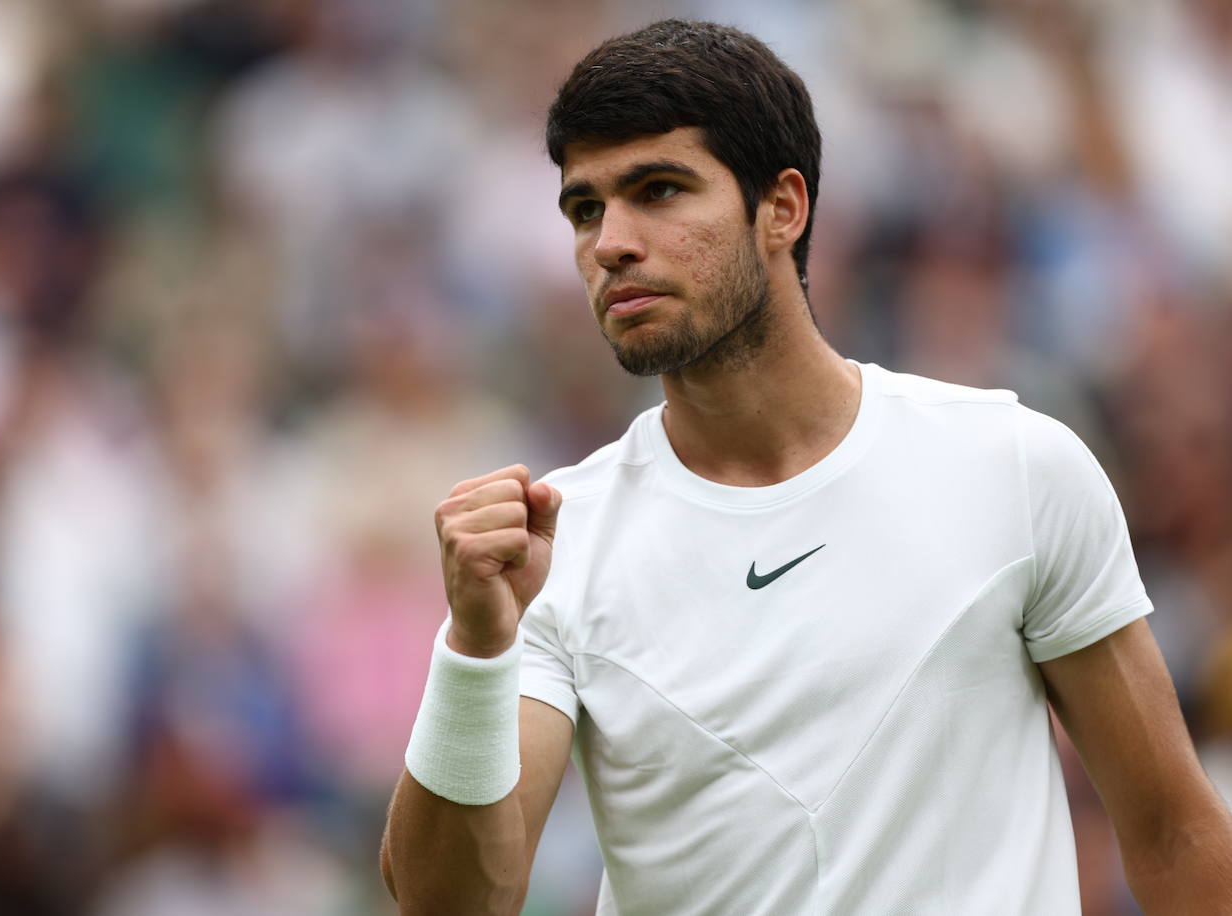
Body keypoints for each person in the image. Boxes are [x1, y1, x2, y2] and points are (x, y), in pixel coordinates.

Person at [380, 19, 1232, 915]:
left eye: (659, 190)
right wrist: (475, 648)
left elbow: (1174, 833)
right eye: (586, 209)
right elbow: (450, 903)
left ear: (783, 207)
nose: (610, 243)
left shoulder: (1016, 467)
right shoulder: (560, 541)